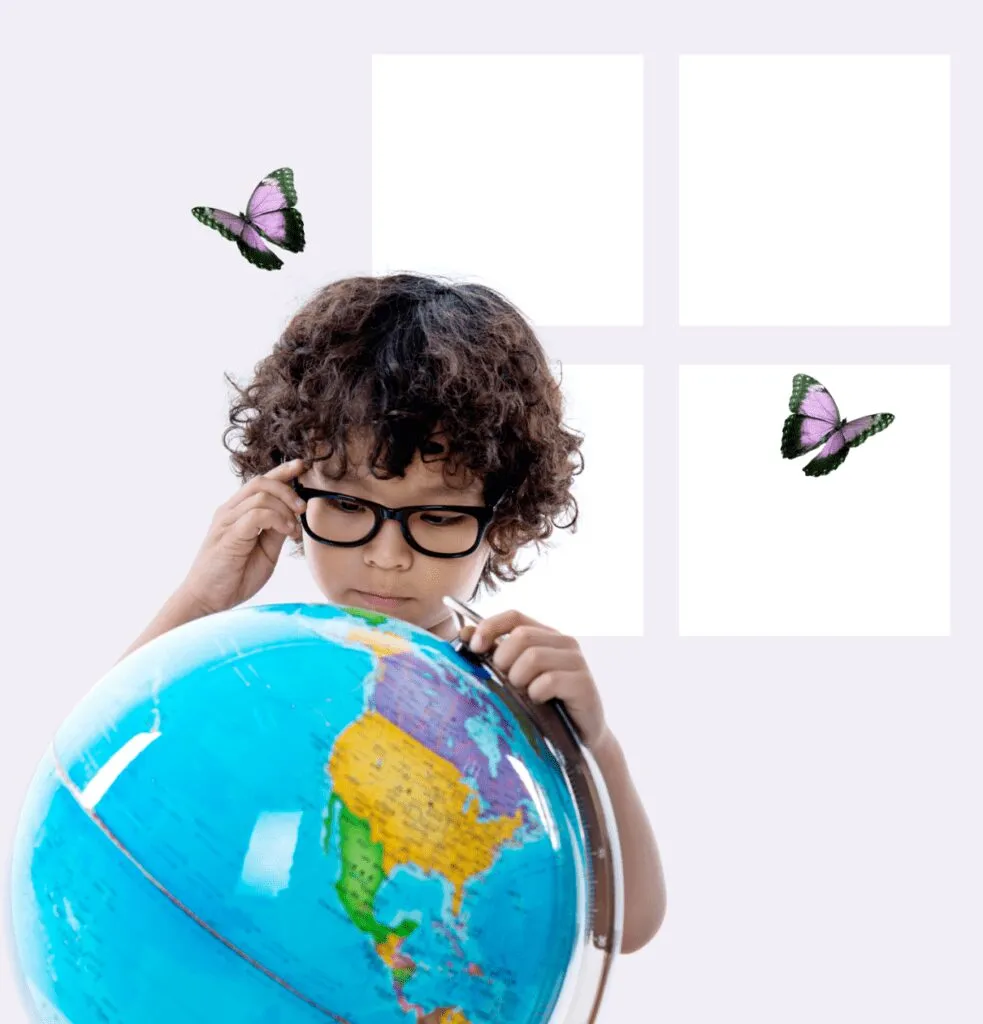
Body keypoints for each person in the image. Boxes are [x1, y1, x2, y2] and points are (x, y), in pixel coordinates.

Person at [118, 272, 667, 955]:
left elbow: (625, 926)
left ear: (504, 519)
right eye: (347, 505)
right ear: (288, 488)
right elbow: (103, 781)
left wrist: (592, 747)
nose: (385, 556)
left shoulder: (510, 700)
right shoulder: (260, 673)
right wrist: (200, 600)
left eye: (436, 515)